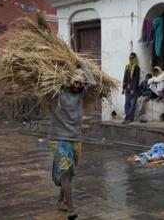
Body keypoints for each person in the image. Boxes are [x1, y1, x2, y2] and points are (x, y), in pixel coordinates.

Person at [48, 59, 96, 220]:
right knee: (66, 171)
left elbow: (93, 83)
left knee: (69, 172)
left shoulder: (81, 94)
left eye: (80, 83)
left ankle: (61, 200)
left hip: (75, 137)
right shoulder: (58, 92)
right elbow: (48, 78)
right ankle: (71, 209)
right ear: (68, 81)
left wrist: (83, 66)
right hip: (58, 137)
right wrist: (59, 66)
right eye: (74, 83)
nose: (77, 86)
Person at [122, 52, 140, 124]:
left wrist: (134, 89)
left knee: (132, 104)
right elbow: (125, 78)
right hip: (127, 88)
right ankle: (126, 117)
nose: (131, 59)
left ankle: (130, 118)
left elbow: (137, 79)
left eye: (132, 58)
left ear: (135, 59)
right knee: (127, 103)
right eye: (130, 58)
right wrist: (123, 87)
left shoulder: (136, 68)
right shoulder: (127, 67)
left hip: (133, 89)